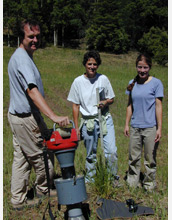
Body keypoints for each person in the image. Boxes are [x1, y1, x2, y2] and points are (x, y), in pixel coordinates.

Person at [7, 19, 70, 210]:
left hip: (19, 117)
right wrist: (54, 116)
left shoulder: (22, 55)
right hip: (26, 119)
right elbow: (32, 91)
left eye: (37, 36)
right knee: (42, 156)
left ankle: (18, 200)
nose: (35, 40)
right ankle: (43, 192)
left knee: (22, 158)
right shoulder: (22, 60)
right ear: (22, 36)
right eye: (30, 36)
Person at [67, 51, 118, 183]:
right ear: (85, 64)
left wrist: (105, 102)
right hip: (88, 122)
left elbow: (111, 98)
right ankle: (91, 179)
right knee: (91, 154)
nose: (92, 67)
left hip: (104, 119)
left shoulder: (103, 79)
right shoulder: (78, 82)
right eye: (89, 64)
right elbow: (75, 105)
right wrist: (77, 128)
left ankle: (112, 178)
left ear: (98, 65)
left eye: (95, 64)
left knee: (111, 151)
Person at [124, 53, 164, 191]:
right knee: (133, 157)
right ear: (136, 67)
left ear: (150, 67)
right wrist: (126, 124)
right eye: (139, 67)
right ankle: (132, 183)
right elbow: (130, 105)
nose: (142, 70)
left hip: (150, 127)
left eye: (145, 67)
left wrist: (159, 128)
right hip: (135, 126)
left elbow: (159, 106)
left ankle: (149, 185)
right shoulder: (132, 83)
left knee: (149, 158)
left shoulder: (156, 83)